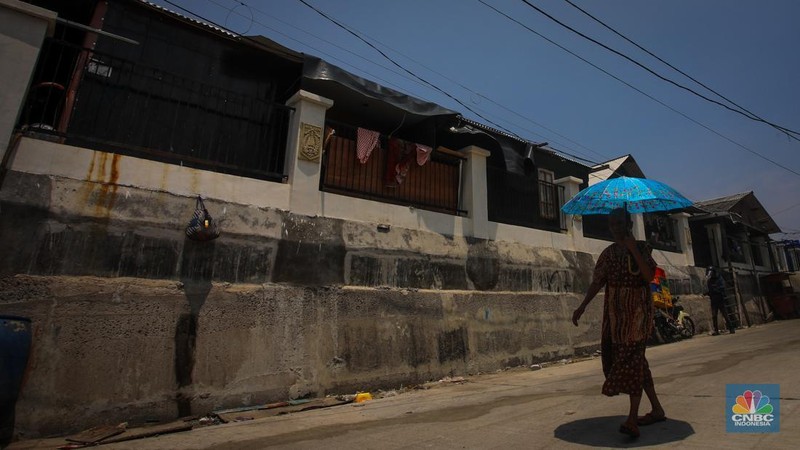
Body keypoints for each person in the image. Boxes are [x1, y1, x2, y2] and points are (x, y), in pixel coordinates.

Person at [572, 207, 666, 438]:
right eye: (612, 225)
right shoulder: (608, 254)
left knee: (633, 361)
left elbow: (648, 276)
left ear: (628, 226)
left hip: (638, 315)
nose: (615, 229)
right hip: (616, 318)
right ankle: (657, 408)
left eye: (619, 224)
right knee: (638, 362)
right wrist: (582, 306)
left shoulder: (642, 249)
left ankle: (632, 419)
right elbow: (597, 283)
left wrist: (634, 249)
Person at [705, 267, 735, 335]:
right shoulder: (709, 281)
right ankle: (716, 330)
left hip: (720, 299)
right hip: (713, 300)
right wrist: (707, 293)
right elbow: (710, 290)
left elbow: (722, 288)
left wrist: (715, 290)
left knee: (725, 314)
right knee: (714, 315)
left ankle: (731, 328)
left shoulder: (719, 279)